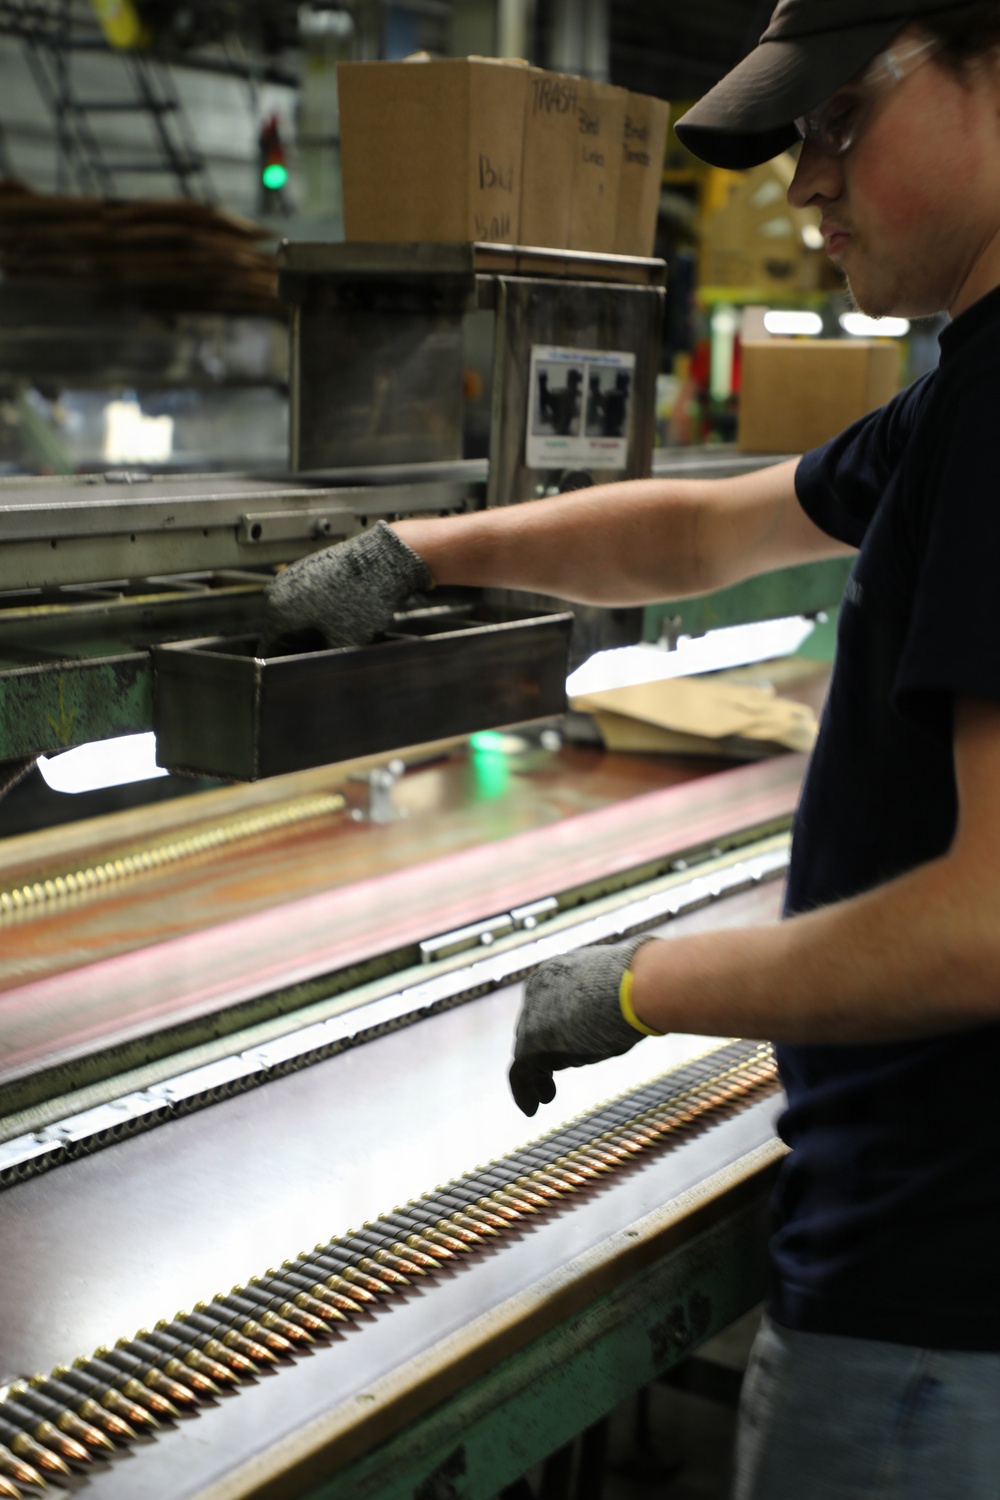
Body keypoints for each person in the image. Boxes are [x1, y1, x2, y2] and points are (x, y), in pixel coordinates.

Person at [264, 2, 1000, 1491]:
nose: (803, 185)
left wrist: (643, 983)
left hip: (940, 1300)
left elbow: (986, 925)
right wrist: (429, 549)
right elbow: (708, 523)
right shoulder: (957, 406)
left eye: (841, 119)